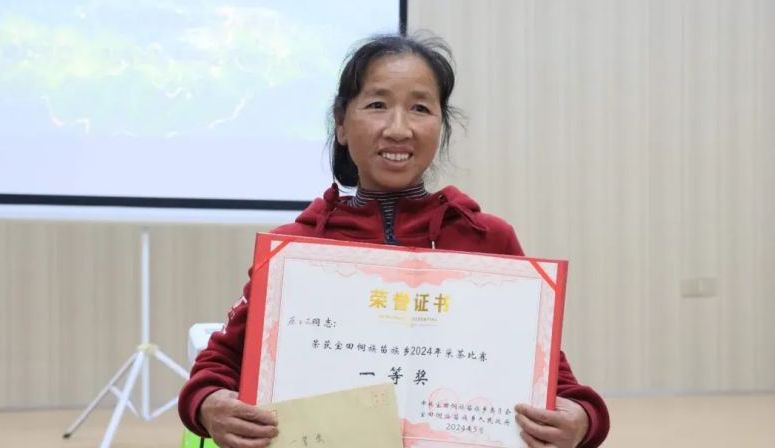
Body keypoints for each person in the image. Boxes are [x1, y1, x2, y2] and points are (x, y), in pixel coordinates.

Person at [179, 33, 610, 448]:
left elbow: (556, 381)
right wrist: (210, 405)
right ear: (342, 123)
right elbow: (217, 366)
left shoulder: (488, 240)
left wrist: (582, 419)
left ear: (441, 124)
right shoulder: (295, 250)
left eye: (420, 107)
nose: (399, 129)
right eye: (377, 105)